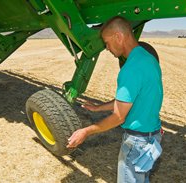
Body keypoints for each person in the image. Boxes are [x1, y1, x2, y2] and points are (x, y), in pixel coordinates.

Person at [67, 16, 163, 183]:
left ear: (119, 36)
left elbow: (119, 117)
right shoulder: (149, 59)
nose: (107, 48)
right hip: (153, 136)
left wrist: (85, 131)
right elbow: (131, 99)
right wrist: (99, 107)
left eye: (107, 43)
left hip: (137, 142)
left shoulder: (130, 69)